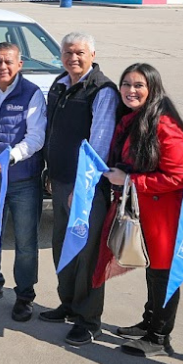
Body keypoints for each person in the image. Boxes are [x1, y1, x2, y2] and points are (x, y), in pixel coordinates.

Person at [97, 63, 183, 357]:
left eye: (139, 85)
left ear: (152, 88)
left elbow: (178, 176)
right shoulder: (134, 119)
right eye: (126, 84)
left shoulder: (163, 124)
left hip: (165, 215)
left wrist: (129, 180)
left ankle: (159, 337)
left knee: (163, 274)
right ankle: (149, 322)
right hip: (146, 211)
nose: (131, 90)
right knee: (153, 272)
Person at [38, 32, 119, 346]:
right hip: (59, 182)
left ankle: (89, 320)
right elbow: (52, 132)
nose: (74, 57)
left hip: (86, 189)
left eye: (80, 52)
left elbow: (98, 146)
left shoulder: (102, 91)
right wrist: (49, 167)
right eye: (68, 52)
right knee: (62, 247)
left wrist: (82, 190)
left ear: (93, 54)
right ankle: (69, 304)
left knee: (87, 255)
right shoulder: (60, 84)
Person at [0, 42, 47, 321]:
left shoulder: (32, 94)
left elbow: (36, 138)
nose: (2, 67)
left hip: (22, 182)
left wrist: (9, 158)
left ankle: (25, 296)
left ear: (19, 64)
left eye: (8, 62)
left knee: (26, 242)